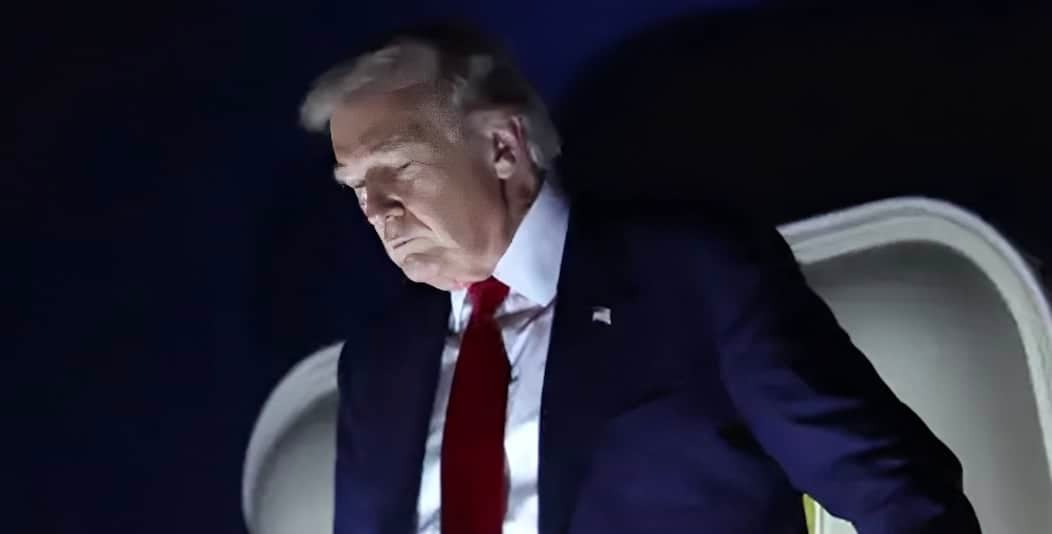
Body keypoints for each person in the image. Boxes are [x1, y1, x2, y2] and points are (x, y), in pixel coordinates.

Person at [298, 23, 981, 534]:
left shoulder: (694, 278)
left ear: (503, 147)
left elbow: (901, 497)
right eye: (355, 185)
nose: (375, 209)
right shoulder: (377, 363)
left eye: (399, 167)